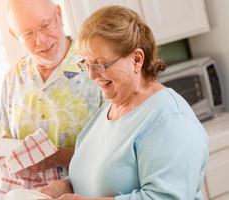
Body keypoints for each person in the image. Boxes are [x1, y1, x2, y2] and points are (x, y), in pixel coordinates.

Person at [40, 5, 209, 200]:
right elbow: (96, 178)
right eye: (86, 64)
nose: (92, 75)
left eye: (100, 64)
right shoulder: (108, 111)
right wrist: (64, 187)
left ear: (136, 60)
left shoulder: (170, 119)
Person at [0, 0, 102, 191]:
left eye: (45, 25)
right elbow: (4, 133)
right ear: (14, 35)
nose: (41, 41)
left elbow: (118, 150)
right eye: (27, 34)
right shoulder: (13, 77)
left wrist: (57, 158)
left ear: (59, 15)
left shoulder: (98, 66)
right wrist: (5, 151)